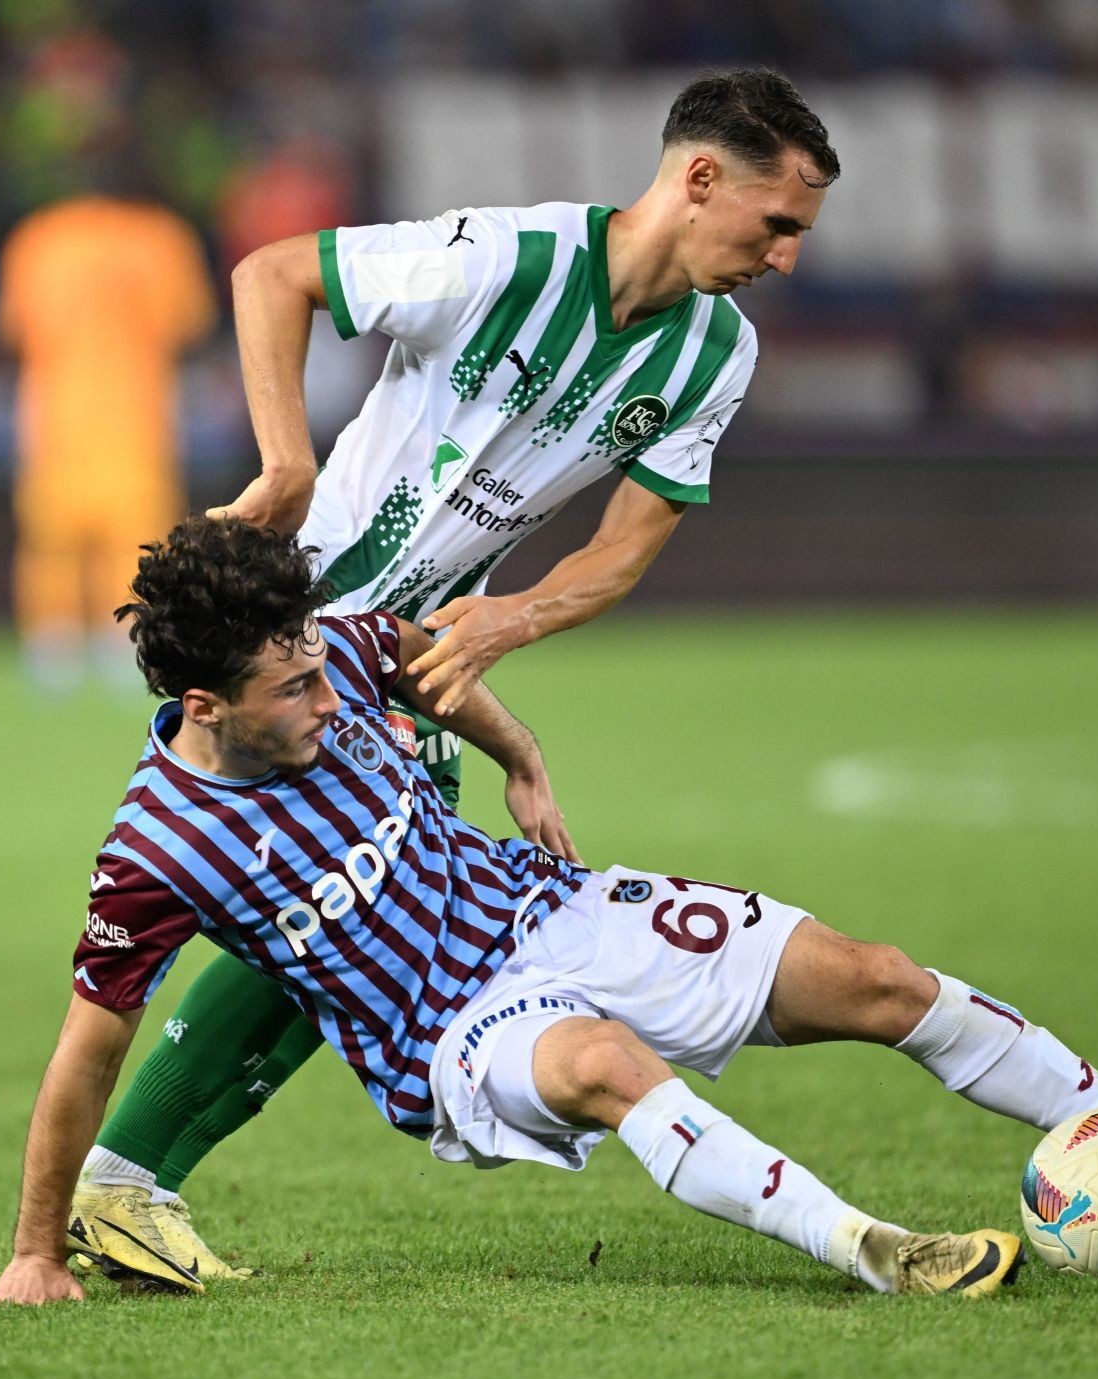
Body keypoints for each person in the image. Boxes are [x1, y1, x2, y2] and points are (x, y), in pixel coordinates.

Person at [0, 518, 1098, 1305]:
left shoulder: (332, 643)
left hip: (544, 909)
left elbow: (436, 672)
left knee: (877, 977)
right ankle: (883, 1253)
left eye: (323, 668)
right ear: (206, 707)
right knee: (610, 1065)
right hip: (446, 1037)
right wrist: (37, 1250)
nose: (327, 699)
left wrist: (520, 755)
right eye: (291, 690)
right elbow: (83, 1055)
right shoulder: (154, 854)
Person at [70, 68, 839, 1279]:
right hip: (298, 625)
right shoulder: (511, 258)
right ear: (700, 179)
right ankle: (115, 1183)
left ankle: (126, 1184)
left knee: (346, 919)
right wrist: (286, 465)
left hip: (404, 652)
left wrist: (507, 648)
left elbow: (619, 555)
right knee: (338, 912)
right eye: (778, 223)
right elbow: (274, 274)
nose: (785, 255)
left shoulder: (710, 355)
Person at [0, 175, 217, 692]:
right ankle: (126, 646)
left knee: (51, 543)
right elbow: (188, 324)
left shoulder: (39, 238)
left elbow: (15, 328)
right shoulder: (161, 237)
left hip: (56, 418)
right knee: (136, 540)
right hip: (137, 417)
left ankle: (52, 651)